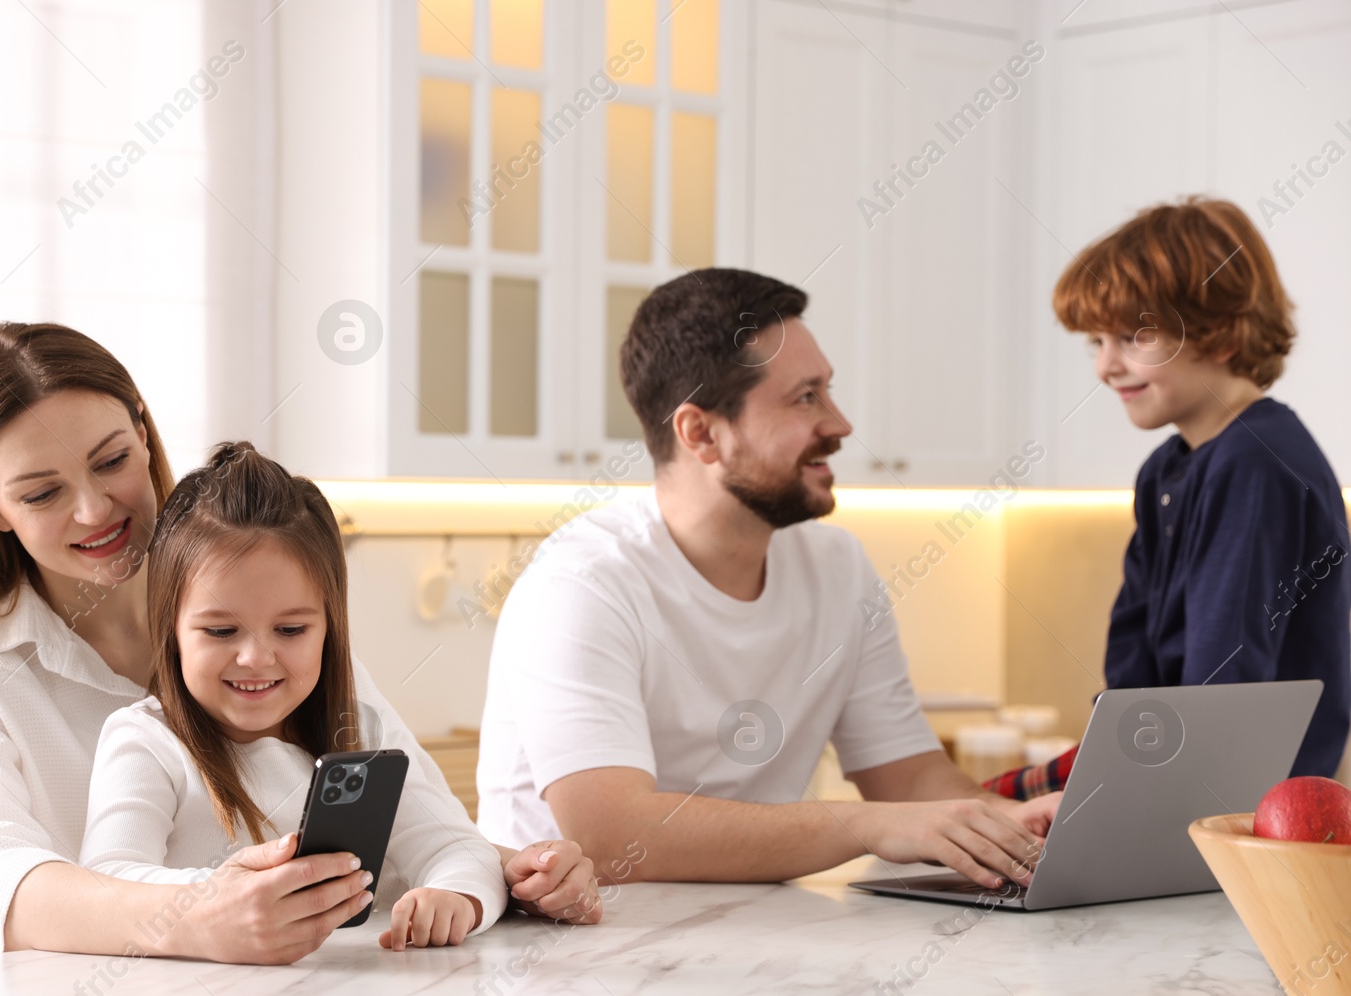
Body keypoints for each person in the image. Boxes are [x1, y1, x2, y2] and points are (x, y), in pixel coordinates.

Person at [0, 322, 598, 962]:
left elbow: (411, 824)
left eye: (111, 461)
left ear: (143, 430)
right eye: (42, 493)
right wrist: (201, 914)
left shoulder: (273, 619)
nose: (94, 508)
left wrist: (507, 871)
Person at [476, 268, 1060, 893]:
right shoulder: (583, 585)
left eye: (827, 392)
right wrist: (870, 827)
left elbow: (908, 778)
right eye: (805, 397)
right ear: (701, 433)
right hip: (577, 957)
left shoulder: (838, 568)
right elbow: (612, 834)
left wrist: (1007, 822)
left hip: (759, 945)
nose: (839, 424)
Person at [987, 197, 1349, 800]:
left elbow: (1220, 691)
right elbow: (1133, 662)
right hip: (1179, 783)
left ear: (1221, 332)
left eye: (1132, 337)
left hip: (1237, 812)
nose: (1105, 366)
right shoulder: (1166, 470)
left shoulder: (1254, 463)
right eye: (1095, 342)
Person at [81, 442, 506, 950]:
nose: (256, 658)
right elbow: (107, 881)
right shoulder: (145, 742)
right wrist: (223, 899)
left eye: (289, 629)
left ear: (329, 628)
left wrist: (454, 896)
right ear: (170, 630)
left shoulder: (362, 731)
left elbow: (460, 847)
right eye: (220, 632)